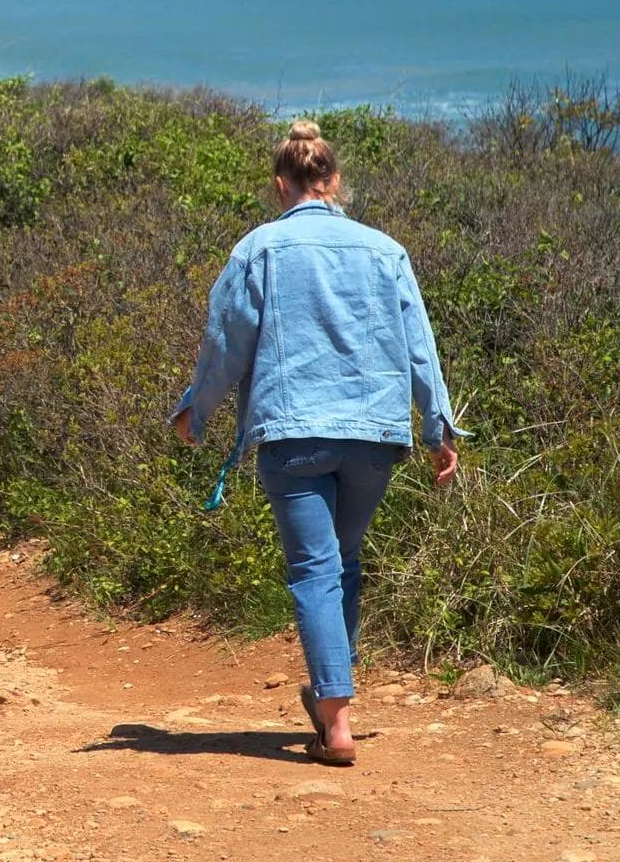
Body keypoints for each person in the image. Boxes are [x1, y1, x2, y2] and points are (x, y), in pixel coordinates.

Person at [171, 119, 460, 766]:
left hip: (294, 433)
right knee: (342, 561)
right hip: (375, 436)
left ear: (282, 185)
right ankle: (334, 691)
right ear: (334, 183)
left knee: (314, 568)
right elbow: (420, 349)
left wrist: (198, 409)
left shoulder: (259, 250)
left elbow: (226, 344)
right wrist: (438, 429)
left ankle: (336, 718)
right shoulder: (386, 252)